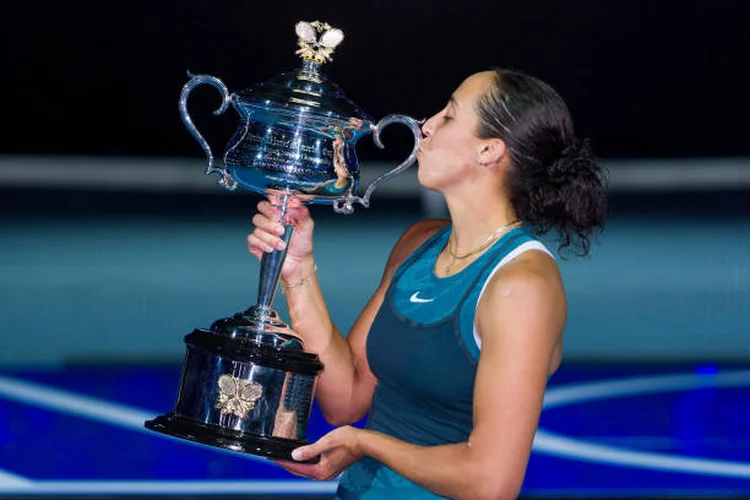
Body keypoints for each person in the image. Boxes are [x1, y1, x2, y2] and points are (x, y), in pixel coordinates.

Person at [247, 68, 608, 500]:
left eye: (449, 116)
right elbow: (346, 398)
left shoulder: (523, 285)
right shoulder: (419, 243)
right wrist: (298, 272)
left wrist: (365, 443)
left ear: (489, 151)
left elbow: (492, 482)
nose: (426, 125)